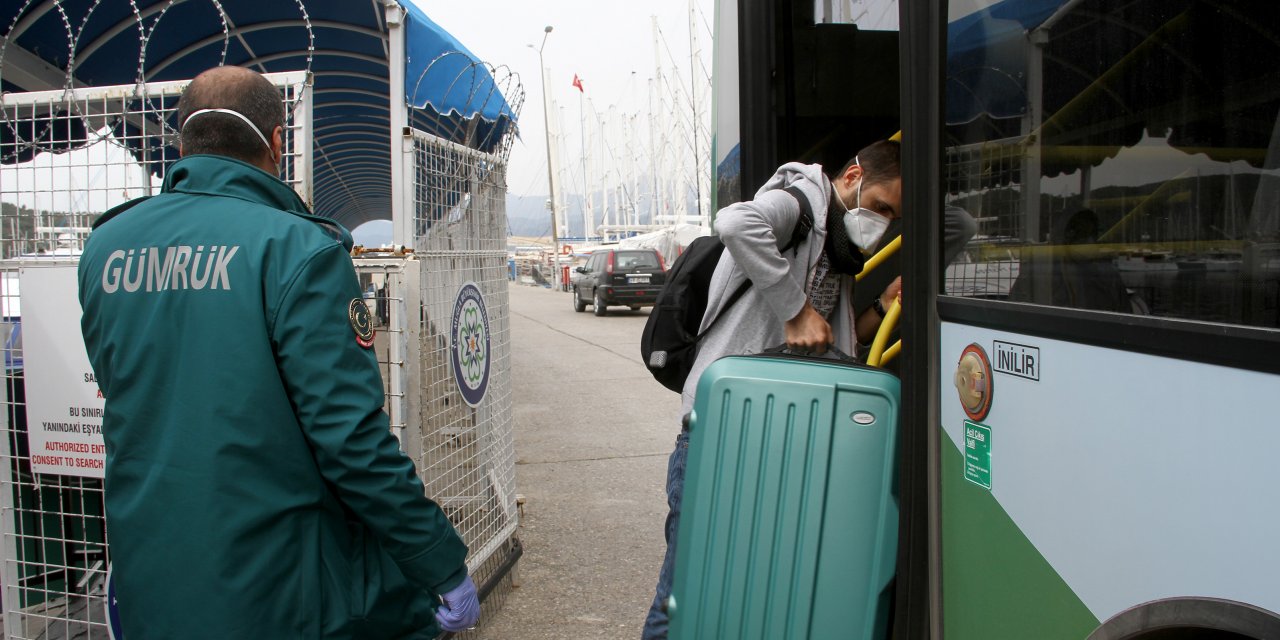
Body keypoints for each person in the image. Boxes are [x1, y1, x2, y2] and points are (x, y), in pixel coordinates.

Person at [77, 66, 479, 639]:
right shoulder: (298, 250)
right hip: (275, 589)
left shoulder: (107, 247)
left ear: (183, 143)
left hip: (152, 577)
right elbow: (352, 443)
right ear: (276, 142)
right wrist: (438, 561)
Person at [642, 139, 904, 639]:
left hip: (780, 434)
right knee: (683, 595)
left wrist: (881, 309)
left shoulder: (839, 250)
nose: (883, 221)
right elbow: (735, 223)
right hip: (721, 434)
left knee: (741, 590)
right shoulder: (798, 201)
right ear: (852, 177)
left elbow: (824, 344)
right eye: (880, 206)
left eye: (893, 217)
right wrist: (795, 309)